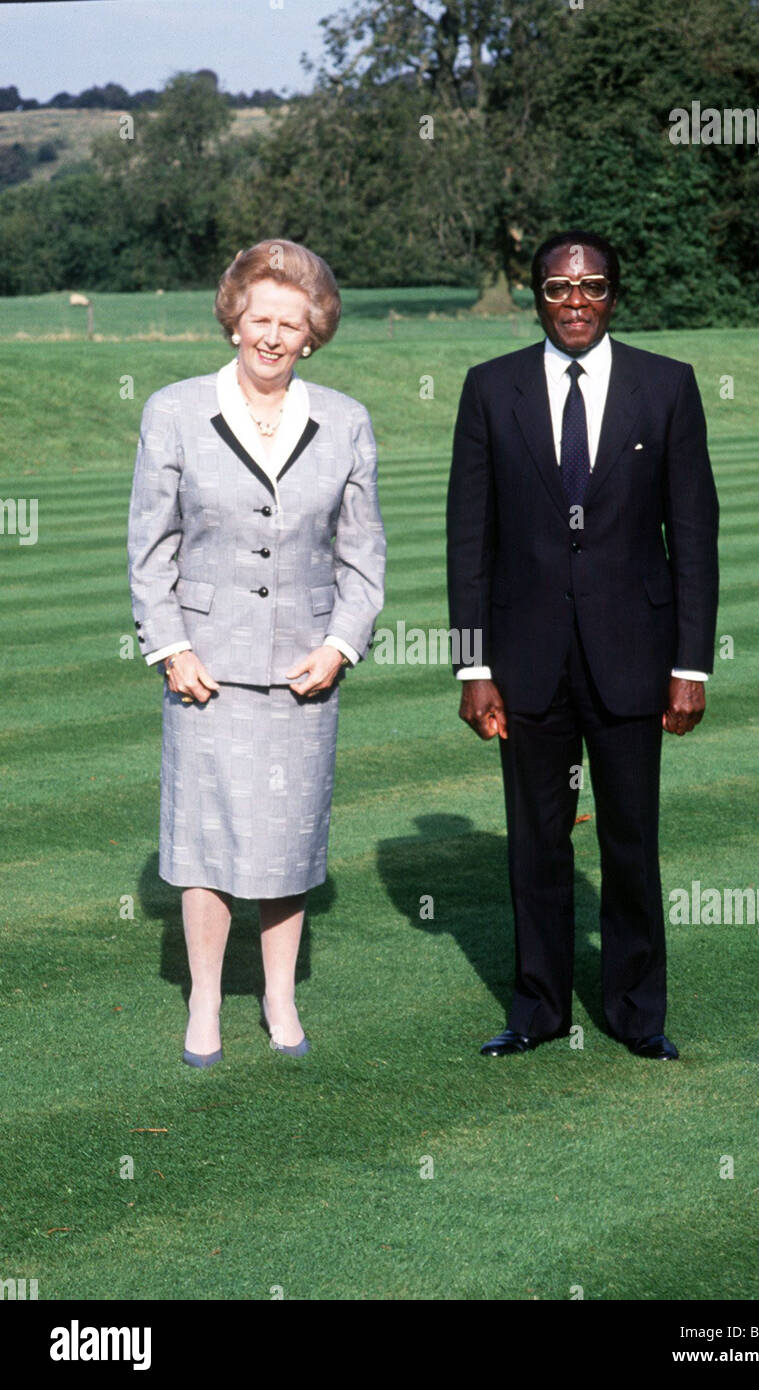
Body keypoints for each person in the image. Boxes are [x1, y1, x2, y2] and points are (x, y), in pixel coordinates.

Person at [446, 230, 718, 1059]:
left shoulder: (665, 386)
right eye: (558, 288)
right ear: (536, 296)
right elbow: (468, 541)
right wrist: (472, 664)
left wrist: (689, 664)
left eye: (591, 286)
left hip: (633, 657)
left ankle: (636, 1013)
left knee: (629, 841)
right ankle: (537, 1011)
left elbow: (692, 535)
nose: (575, 302)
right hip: (525, 663)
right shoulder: (489, 388)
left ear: (613, 294)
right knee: (536, 842)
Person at [128, 239, 386, 1067]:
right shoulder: (174, 411)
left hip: (303, 672)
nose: (273, 336)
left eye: (291, 323)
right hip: (204, 669)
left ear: (313, 334)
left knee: (287, 841)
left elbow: (363, 557)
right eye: (260, 318)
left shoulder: (344, 421)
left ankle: (280, 997)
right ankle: (204, 999)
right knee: (204, 843)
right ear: (234, 320)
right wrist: (171, 647)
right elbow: (150, 550)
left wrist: (340, 644)